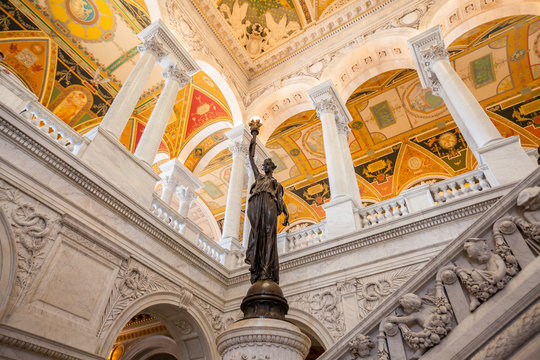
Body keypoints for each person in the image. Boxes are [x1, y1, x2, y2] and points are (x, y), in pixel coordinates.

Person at [245, 122, 289, 284]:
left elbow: (280, 200)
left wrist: (286, 213)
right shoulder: (259, 177)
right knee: (258, 232)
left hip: (270, 203)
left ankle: (266, 269)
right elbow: (250, 157)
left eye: (267, 164)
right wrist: (254, 136)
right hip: (257, 203)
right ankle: (257, 264)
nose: (265, 165)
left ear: (272, 167)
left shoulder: (276, 184)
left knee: (269, 234)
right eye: (264, 164)